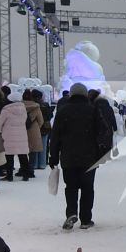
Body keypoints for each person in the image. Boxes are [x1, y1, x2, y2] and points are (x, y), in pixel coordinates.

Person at [46, 84, 105, 231]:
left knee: (71, 187)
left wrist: (53, 157)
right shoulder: (93, 110)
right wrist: (101, 152)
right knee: (87, 188)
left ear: (71, 94)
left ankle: (71, 213)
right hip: (89, 157)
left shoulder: (63, 111)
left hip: (68, 157)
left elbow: (55, 137)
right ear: (85, 95)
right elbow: (103, 132)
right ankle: (86, 219)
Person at [0, 92, 31, 182]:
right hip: (21, 135)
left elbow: (0, 123)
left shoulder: (6, 110)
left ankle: (9, 176)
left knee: (9, 156)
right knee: (23, 156)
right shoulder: (23, 109)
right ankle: (26, 175)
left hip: (8, 135)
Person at [22, 89, 47, 179]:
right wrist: (36, 127)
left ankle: (23, 169)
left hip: (21, 130)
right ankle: (31, 170)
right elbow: (41, 121)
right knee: (32, 152)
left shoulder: (19, 106)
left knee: (22, 152)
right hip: (33, 130)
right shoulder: (36, 107)